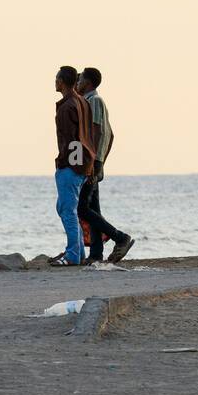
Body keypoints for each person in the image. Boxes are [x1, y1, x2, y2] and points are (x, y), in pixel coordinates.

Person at [75, 68, 135, 264]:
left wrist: (95, 163)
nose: (78, 81)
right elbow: (110, 134)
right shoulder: (88, 101)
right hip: (93, 162)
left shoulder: (95, 101)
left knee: (83, 209)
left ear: (89, 82)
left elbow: (99, 133)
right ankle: (96, 254)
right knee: (93, 209)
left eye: (81, 78)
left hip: (92, 163)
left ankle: (120, 238)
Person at [50, 65, 95, 267]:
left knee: (67, 209)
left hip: (72, 165)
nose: (54, 81)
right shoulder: (82, 102)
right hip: (83, 164)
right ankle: (78, 253)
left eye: (56, 78)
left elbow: (72, 140)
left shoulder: (68, 106)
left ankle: (72, 255)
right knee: (65, 207)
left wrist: (68, 164)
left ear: (62, 82)